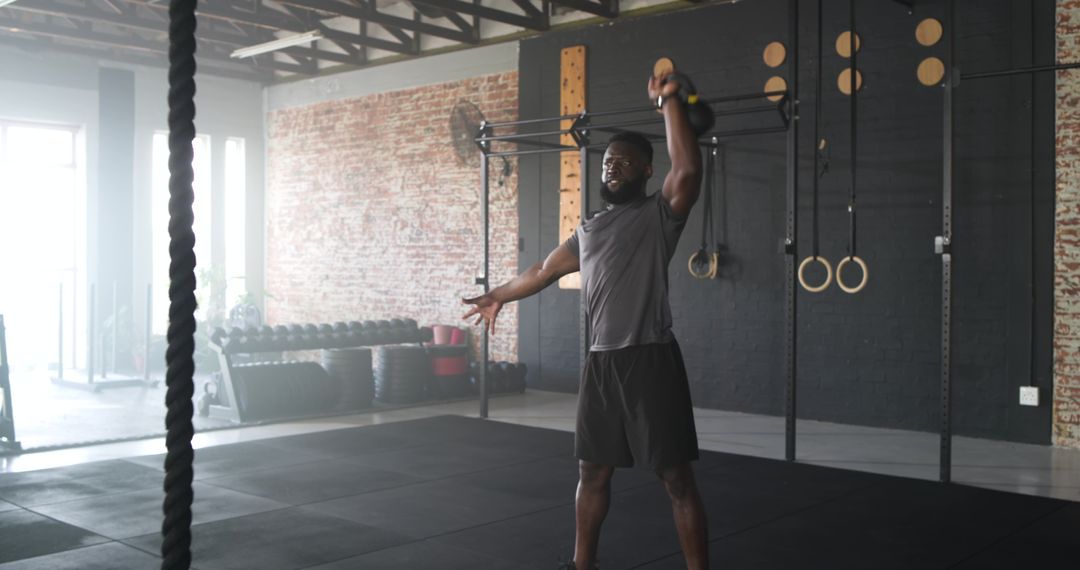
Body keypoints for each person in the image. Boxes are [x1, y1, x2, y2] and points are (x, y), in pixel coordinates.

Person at [462, 74, 708, 570]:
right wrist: (497, 296)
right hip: (600, 367)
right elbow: (542, 270)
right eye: (607, 160)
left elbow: (686, 168)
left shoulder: (659, 215)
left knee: (676, 479)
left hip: (649, 360)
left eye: (624, 161)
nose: (612, 166)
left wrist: (668, 101)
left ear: (645, 170)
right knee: (591, 472)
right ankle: (582, 565)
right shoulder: (589, 230)